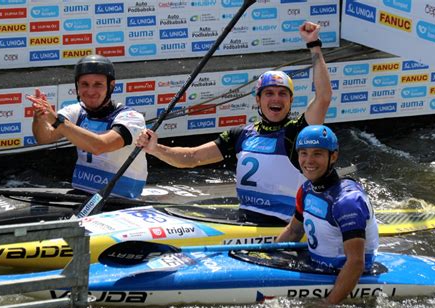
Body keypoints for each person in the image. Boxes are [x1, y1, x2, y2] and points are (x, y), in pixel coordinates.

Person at [136, 21, 332, 223]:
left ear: (291, 101)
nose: (276, 99)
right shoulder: (240, 135)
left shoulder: (298, 132)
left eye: (283, 94)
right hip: (245, 221)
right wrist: (156, 149)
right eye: (269, 93)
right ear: (258, 100)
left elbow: (324, 97)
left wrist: (313, 44)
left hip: (284, 224)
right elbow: (192, 157)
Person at [276, 125, 379, 304]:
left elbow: (356, 263)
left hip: (345, 273)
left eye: (317, 153)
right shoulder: (307, 190)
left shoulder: (347, 202)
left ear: (333, 156)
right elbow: (293, 231)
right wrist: (269, 258)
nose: (309, 161)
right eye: (304, 153)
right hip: (316, 265)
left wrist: (327, 306)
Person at [28, 54, 147, 199]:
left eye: (98, 85)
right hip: (82, 195)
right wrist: (39, 116)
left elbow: (99, 146)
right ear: (77, 86)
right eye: (84, 84)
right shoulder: (76, 111)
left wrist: (57, 120)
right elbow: (44, 138)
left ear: (111, 86)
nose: (90, 92)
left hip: (120, 200)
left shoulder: (132, 118)